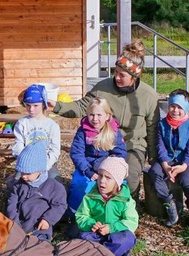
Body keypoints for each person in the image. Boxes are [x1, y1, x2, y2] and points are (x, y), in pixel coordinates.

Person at [51, 40, 159, 203]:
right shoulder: (103, 88)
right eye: (115, 72)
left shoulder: (148, 96)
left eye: (122, 75)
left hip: (131, 146)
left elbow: (152, 129)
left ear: (135, 76)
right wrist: (57, 106)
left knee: (128, 176)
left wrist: (153, 159)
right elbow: (81, 107)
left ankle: (127, 209)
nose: (117, 77)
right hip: (103, 142)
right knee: (99, 176)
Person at [146, 89, 189, 227]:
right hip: (167, 159)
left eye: (179, 107)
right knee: (154, 172)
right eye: (172, 106)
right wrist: (165, 165)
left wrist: (184, 166)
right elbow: (160, 146)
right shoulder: (162, 124)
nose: (175, 110)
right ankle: (170, 204)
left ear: (186, 109)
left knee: (186, 180)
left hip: (185, 160)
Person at [74, 157, 138, 256]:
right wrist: (91, 224)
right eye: (100, 175)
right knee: (83, 237)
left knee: (126, 239)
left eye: (108, 178)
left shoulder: (125, 200)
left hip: (116, 234)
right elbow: (81, 216)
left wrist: (111, 228)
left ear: (117, 182)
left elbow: (131, 222)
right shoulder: (90, 197)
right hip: (96, 234)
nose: (102, 180)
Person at [67, 97, 126, 216]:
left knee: (119, 186)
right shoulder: (83, 131)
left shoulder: (114, 132)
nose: (95, 119)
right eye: (91, 115)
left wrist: (107, 170)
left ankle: (112, 214)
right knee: (79, 185)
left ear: (107, 116)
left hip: (107, 169)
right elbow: (76, 153)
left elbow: (120, 153)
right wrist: (87, 171)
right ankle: (75, 214)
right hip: (87, 168)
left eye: (99, 115)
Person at [6, 141, 67, 241]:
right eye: (22, 172)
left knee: (37, 250)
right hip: (18, 227)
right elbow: (11, 205)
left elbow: (60, 205)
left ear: (40, 170)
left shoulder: (54, 187)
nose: (24, 176)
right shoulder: (18, 185)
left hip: (39, 230)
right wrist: (15, 224)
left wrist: (48, 220)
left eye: (28, 173)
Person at [12, 84, 62, 181]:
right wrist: (25, 163)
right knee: (16, 182)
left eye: (35, 105)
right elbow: (18, 145)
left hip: (46, 163)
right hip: (26, 163)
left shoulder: (52, 126)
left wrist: (45, 166)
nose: (31, 109)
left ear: (43, 104)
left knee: (56, 181)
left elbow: (55, 150)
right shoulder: (22, 123)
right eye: (28, 105)